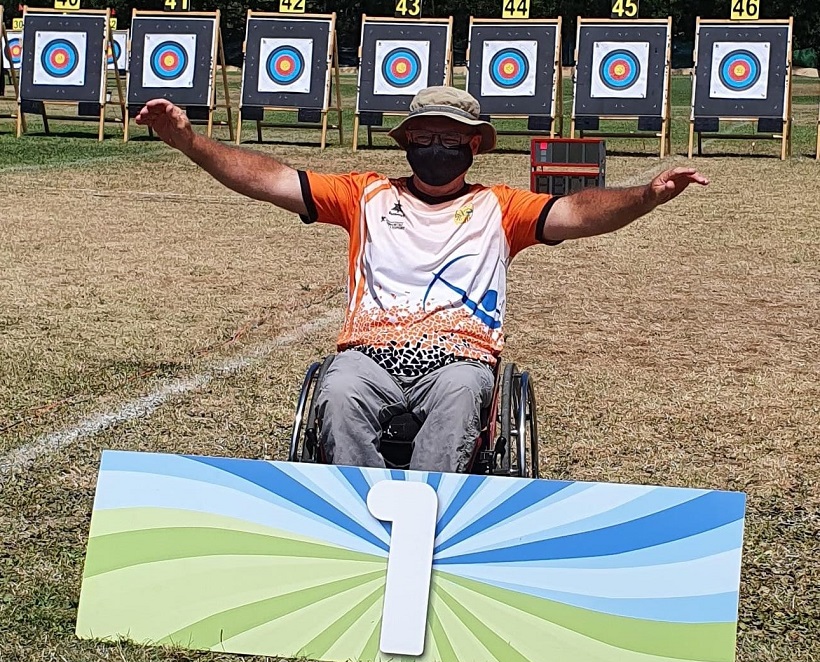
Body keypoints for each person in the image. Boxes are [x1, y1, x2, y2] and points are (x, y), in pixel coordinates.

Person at [135, 86, 708, 473]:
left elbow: (580, 212)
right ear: (408, 142)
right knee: (337, 391)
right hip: (369, 353)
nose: (438, 149)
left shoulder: (501, 208)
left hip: (460, 358)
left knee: (462, 397)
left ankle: (428, 523)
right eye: (425, 138)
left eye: (452, 139)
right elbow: (269, 178)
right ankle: (361, 518)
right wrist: (191, 142)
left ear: (473, 146)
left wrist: (646, 196)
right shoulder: (365, 194)